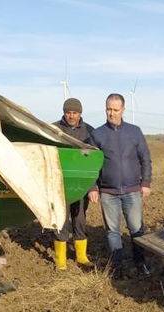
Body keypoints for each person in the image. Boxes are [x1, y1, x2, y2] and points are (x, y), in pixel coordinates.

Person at [89, 93, 152, 279]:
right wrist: (93, 187)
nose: (112, 113)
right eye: (109, 109)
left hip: (132, 190)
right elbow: (91, 164)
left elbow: (145, 158)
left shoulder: (134, 131)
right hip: (108, 192)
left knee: (137, 229)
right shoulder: (97, 134)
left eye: (116, 110)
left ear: (123, 110)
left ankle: (141, 263)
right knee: (112, 232)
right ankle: (117, 267)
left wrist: (146, 182)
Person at [52, 98, 96, 271]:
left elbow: (94, 157)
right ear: (64, 112)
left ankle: (81, 256)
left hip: (81, 184)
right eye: (68, 112)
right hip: (59, 183)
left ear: (80, 114)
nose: (71, 116)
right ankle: (61, 259)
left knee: (79, 218)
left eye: (75, 113)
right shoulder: (53, 129)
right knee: (60, 219)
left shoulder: (89, 131)